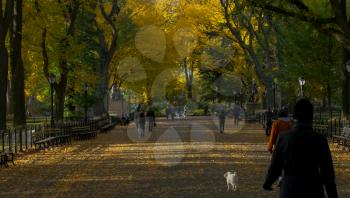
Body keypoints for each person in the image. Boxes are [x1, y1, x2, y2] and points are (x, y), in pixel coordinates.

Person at [263, 99, 338, 198]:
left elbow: (276, 164)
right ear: (311, 117)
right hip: (313, 188)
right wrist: (332, 194)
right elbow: (328, 172)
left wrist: (268, 182)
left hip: (289, 189)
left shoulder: (284, 137)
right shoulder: (319, 139)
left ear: (294, 116)